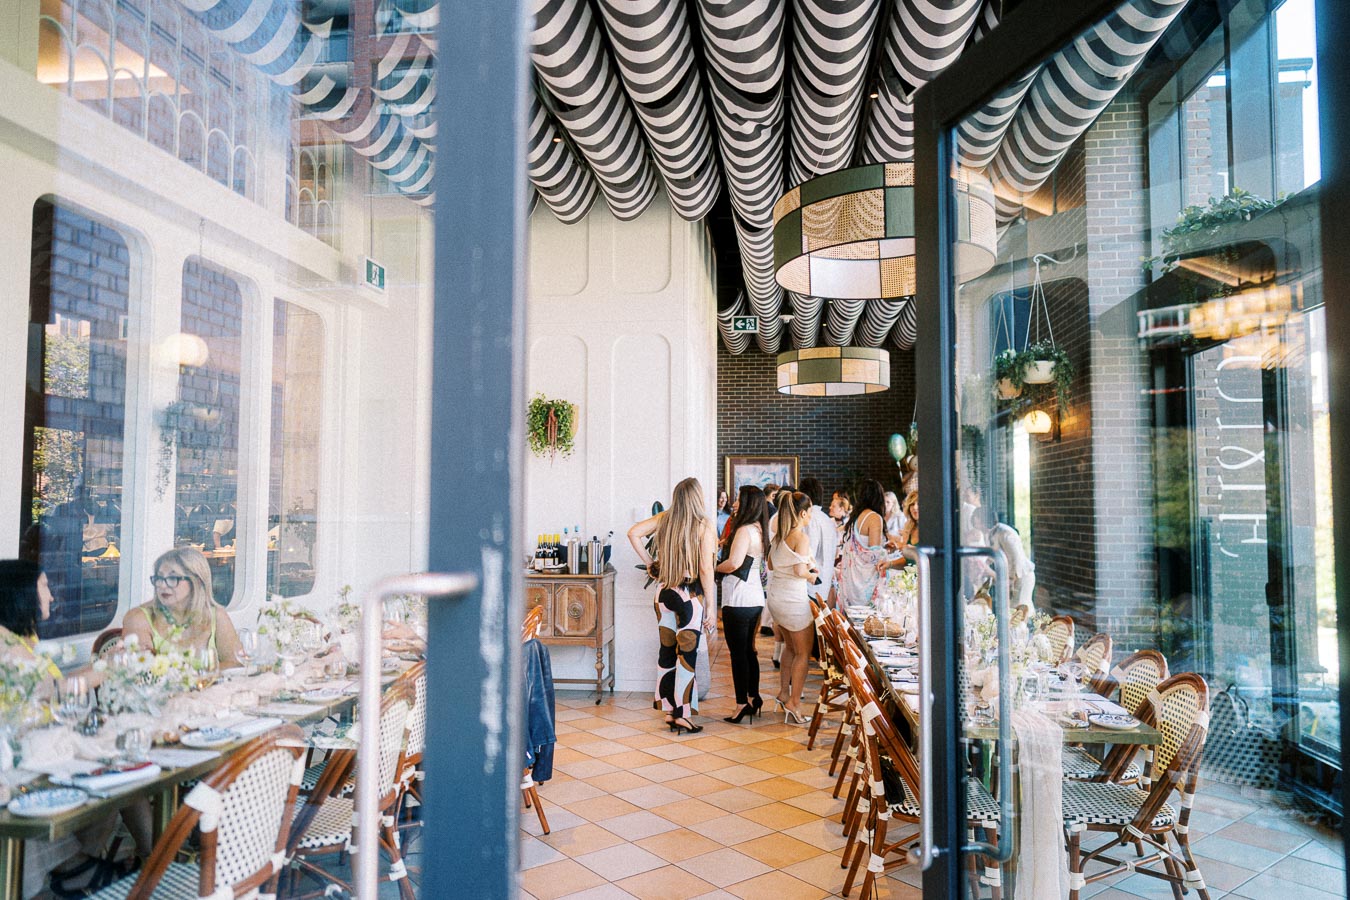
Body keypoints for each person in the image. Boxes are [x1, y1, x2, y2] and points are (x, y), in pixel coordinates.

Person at [0, 562, 150, 895]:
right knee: (117, 771)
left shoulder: (20, 638)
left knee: (120, 774)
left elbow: (56, 682)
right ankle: (90, 869)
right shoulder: (4, 644)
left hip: (37, 739)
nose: (51, 595)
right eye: (44, 587)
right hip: (18, 754)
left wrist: (101, 666)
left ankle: (82, 867)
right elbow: (50, 691)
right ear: (21, 594)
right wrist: (107, 669)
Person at [627, 477, 716, 735]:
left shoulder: (665, 518)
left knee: (666, 652)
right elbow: (705, 568)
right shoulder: (703, 525)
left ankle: (669, 710)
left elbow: (633, 532)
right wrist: (710, 606)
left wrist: (649, 563)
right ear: (697, 498)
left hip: (663, 593)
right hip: (687, 596)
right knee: (686, 657)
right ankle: (683, 714)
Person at [122, 548, 243, 667]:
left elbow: (236, 663)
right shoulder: (138, 618)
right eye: (159, 578)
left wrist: (199, 678)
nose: (163, 585)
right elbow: (142, 670)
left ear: (197, 582)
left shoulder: (216, 615)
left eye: (173, 578)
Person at [714, 486, 770, 724]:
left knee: (738, 655)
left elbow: (734, 563)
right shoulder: (759, 529)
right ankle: (754, 696)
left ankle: (740, 705)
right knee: (749, 651)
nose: (735, 502)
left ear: (747, 503)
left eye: (738, 498)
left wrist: (712, 567)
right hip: (755, 598)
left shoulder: (745, 530)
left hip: (738, 600)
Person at [765, 491, 818, 725]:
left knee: (789, 647)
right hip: (794, 602)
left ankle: (784, 693)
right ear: (803, 513)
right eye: (811, 511)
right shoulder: (800, 537)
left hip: (776, 599)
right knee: (803, 653)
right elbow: (799, 572)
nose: (812, 516)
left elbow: (770, 564)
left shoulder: (779, 537)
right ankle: (794, 703)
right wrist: (812, 576)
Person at [837, 479, 888, 606]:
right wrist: (886, 553)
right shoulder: (874, 518)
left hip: (852, 580)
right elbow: (873, 553)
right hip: (866, 581)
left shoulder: (856, 517)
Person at [798, 477, 838, 614]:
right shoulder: (825, 518)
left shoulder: (811, 518)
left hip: (812, 583)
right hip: (823, 581)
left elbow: (809, 552)